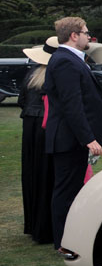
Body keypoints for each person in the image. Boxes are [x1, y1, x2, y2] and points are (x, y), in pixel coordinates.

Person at [44, 17, 102, 253]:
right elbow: (72, 105)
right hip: (68, 140)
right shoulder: (64, 61)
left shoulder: (71, 60)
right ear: (73, 35)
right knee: (66, 191)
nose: (88, 36)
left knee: (71, 189)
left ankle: (68, 239)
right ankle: (63, 242)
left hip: (72, 139)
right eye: (86, 33)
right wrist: (88, 138)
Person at [19, 37, 57, 244]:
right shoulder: (54, 76)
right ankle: (46, 226)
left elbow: (21, 101)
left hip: (30, 126)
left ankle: (34, 224)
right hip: (46, 125)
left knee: (32, 173)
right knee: (47, 175)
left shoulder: (31, 75)